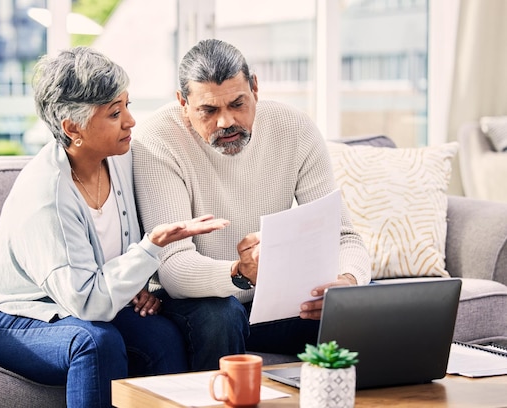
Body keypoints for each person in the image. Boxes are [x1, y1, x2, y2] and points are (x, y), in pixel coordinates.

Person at [0, 46, 229, 408]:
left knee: (162, 337)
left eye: (127, 105)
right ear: (72, 128)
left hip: (72, 301)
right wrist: (151, 247)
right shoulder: (46, 193)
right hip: (2, 313)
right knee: (94, 342)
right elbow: (88, 301)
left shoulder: (121, 160)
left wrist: (135, 287)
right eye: (115, 113)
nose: (130, 120)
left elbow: (106, 272)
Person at [131, 39, 371, 371]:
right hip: (196, 300)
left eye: (237, 104)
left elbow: (344, 237)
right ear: (182, 103)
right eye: (209, 110)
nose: (226, 122)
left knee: (360, 308)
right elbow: (174, 268)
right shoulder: (156, 140)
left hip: (273, 299)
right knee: (222, 316)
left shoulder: (294, 128)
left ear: (255, 88)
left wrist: (347, 282)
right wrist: (240, 272)